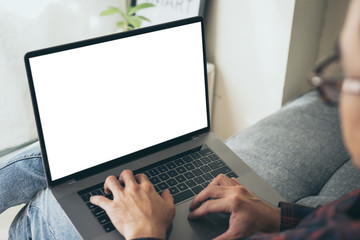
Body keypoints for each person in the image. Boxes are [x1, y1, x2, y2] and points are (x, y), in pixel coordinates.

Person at [2, 0, 360, 239]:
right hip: (274, 213)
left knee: (52, 172)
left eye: (346, 77)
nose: (335, 89)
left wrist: (146, 230)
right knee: (74, 156)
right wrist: (278, 217)